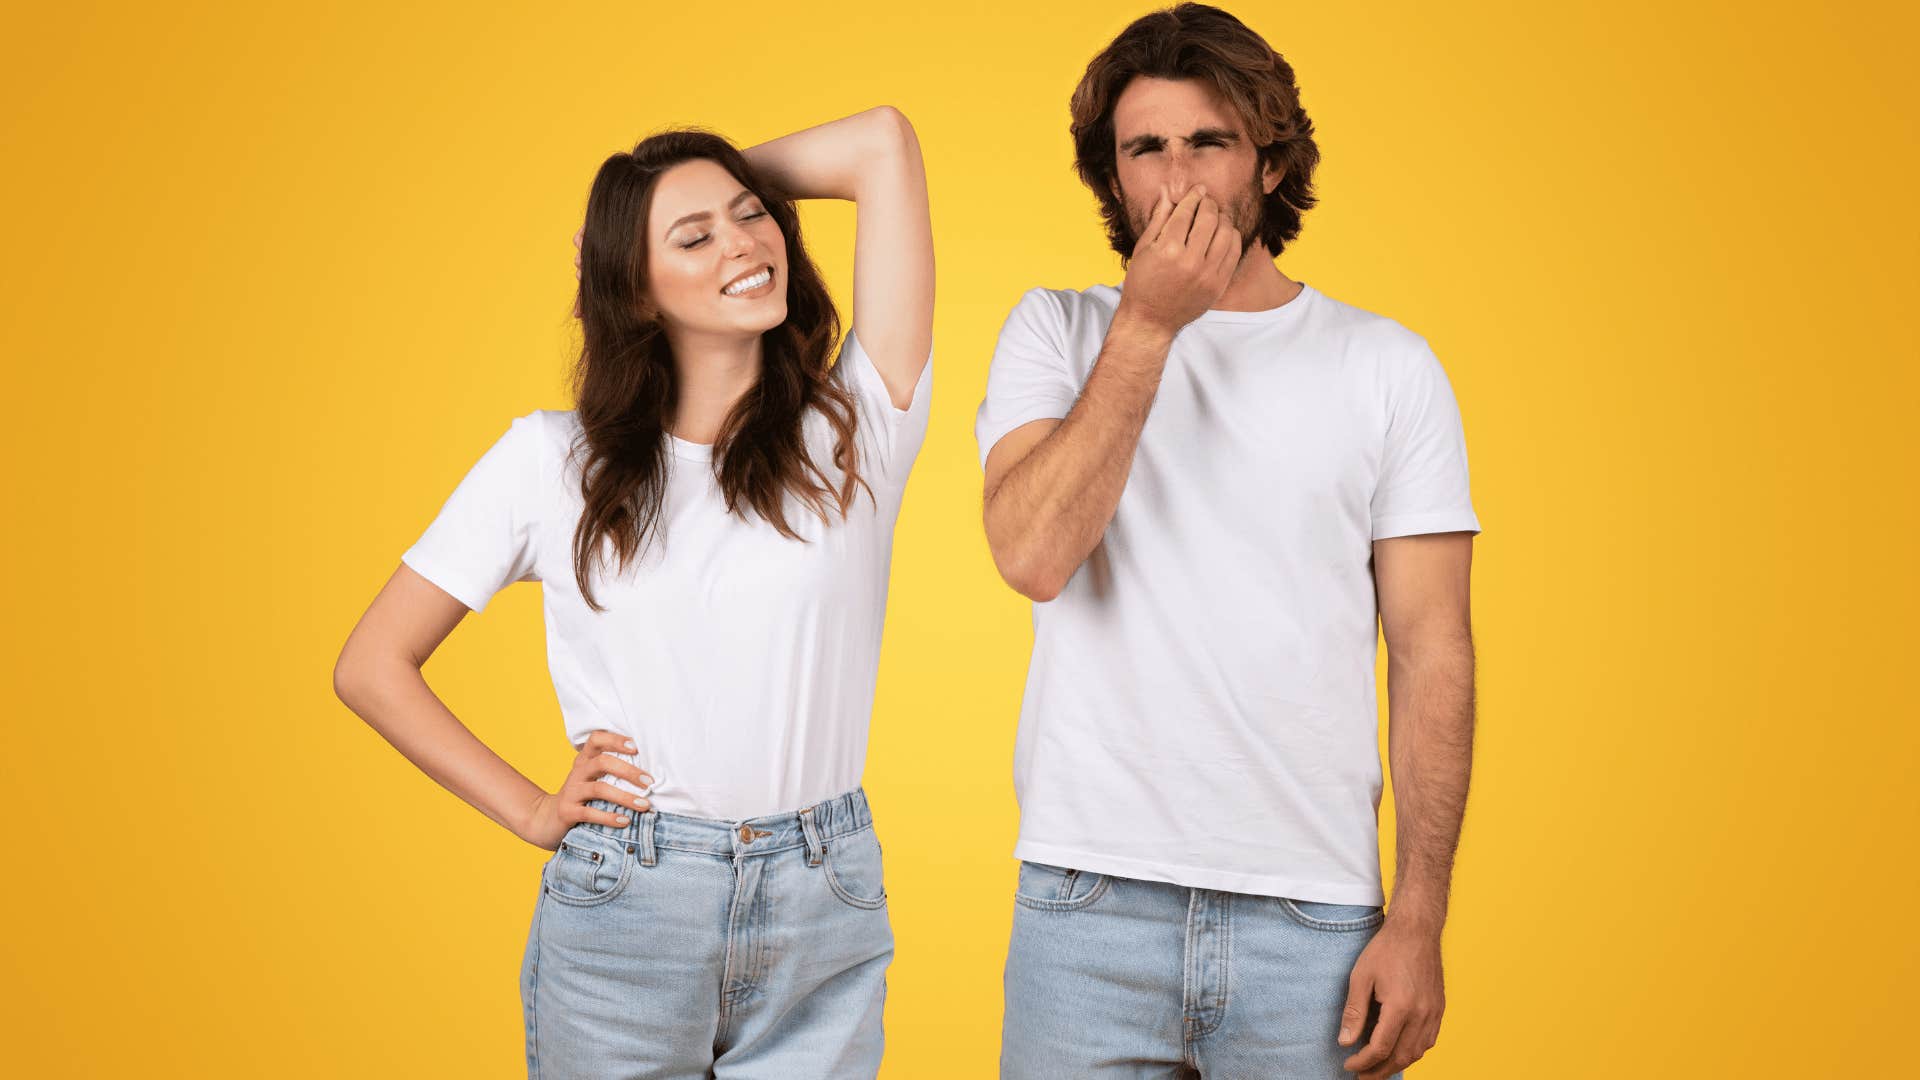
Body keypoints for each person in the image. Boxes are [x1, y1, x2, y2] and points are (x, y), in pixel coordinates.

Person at [332, 106, 933, 1079]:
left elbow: (883, 145)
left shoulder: (856, 422)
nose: (744, 243)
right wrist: (532, 811)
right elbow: (371, 666)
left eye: (752, 213)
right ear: (636, 291)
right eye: (693, 237)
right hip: (632, 902)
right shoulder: (550, 461)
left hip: (824, 898)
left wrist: (699, 192)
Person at [976, 6, 1477, 1078]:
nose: (1180, 177)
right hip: (1086, 906)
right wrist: (1150, 326)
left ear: (1268, 159)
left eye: (1209, 141)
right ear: (1112, 180)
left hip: (1315, 920)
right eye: (1144, 149)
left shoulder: (1386, 367)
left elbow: (1433, 652)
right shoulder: (1055, 331)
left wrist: (1420, 917)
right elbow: (1031, 555)